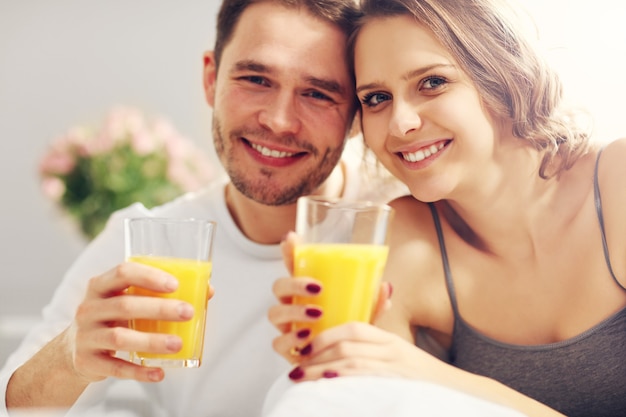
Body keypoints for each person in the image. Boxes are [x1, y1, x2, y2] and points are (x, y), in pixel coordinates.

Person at [0, 0, 406, 416]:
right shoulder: (144, 240)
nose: (280, 121)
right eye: (255, 79)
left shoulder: (406, 230)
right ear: (210, 79)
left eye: (318, 94)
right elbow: (13, 405)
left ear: (356, 116)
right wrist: (70, 357)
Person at [269, 0, 626, 416]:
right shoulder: (409, 237)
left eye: (432, 83)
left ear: (503, 74)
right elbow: (357, 399)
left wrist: (432, 375)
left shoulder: (616, 183)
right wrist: (328, 347)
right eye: (377, 98)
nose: (401, 123)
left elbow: (410, 374)